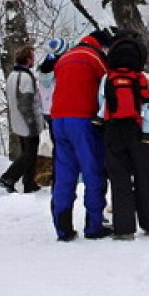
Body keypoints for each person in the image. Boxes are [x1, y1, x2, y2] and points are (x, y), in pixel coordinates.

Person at [99, 32, 149, 239]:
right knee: (144, 176)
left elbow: (102, 106)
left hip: (114, 131)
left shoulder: (106, 79)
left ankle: (124, 228)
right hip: (141, 133)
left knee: (120, 179)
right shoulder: (145, 78)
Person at [50, 30, 111, 241]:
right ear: (102, 46)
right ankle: (94, 226)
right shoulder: (95, 58)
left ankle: (63, 227)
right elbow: (106, 85)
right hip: (82, 119)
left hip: (58, 119)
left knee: (64, 173)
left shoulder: (64, 58)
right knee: (92, 170)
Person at [0, 46, 46, 193]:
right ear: (27, 60)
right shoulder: (25, 77)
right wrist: (31, 121)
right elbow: (26, 102)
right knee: (29, 153)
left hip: (16, 120)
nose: (34, 60)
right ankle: (9, 177)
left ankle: (29, 182)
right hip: (27, 121)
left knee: (27, 151)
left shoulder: (13, 75)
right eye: (32, 57)